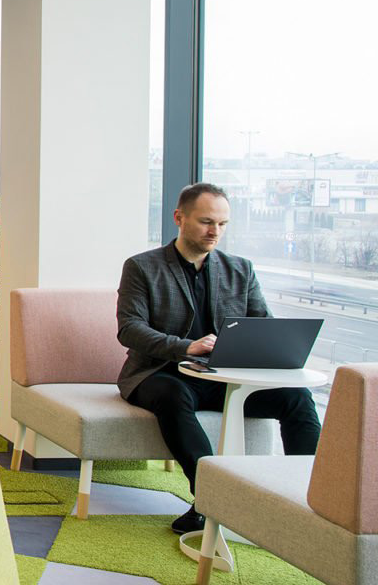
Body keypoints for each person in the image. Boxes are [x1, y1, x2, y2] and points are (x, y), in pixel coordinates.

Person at [117, 182, 322, 535]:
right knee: (172, 396)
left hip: (224, 376)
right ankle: (211, 500)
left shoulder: (241, 269)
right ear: (179, 218)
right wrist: (186, 346)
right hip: (163, 372)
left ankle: (314, 502)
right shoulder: (142, 267)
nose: (215, 231)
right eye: (206, 222)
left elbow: (263, 324)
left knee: (298, 399)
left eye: (223, 224)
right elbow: (130, 329)